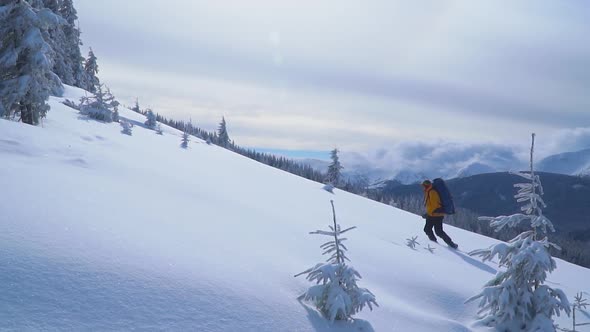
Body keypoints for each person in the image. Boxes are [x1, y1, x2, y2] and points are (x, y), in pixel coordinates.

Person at [421, 180, 458, 249]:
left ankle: (452, 244)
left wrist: (428, 213)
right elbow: (430, 205)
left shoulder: (432, 192)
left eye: (423, 186)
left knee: (438, 231)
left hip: (437, 215)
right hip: (432, 214)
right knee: (427, 229)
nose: (422, 187)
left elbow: (435, 205)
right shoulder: (428, 191)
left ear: (426, 185)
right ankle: (434, 244)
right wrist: (428, 213)